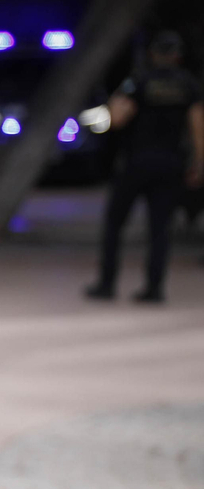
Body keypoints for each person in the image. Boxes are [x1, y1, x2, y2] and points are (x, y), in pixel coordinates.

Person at [87, 30, 204, 304]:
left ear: (153, 54)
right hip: (171, 163)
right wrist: (199, 162)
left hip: (136, 162)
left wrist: (116, 100)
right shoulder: (188, 84)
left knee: (115, 223)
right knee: (160, 229)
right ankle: (154, 288)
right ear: (177, 56)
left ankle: (107, 283)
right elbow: (198, 126)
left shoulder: (139, 80)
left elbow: (116, 120)